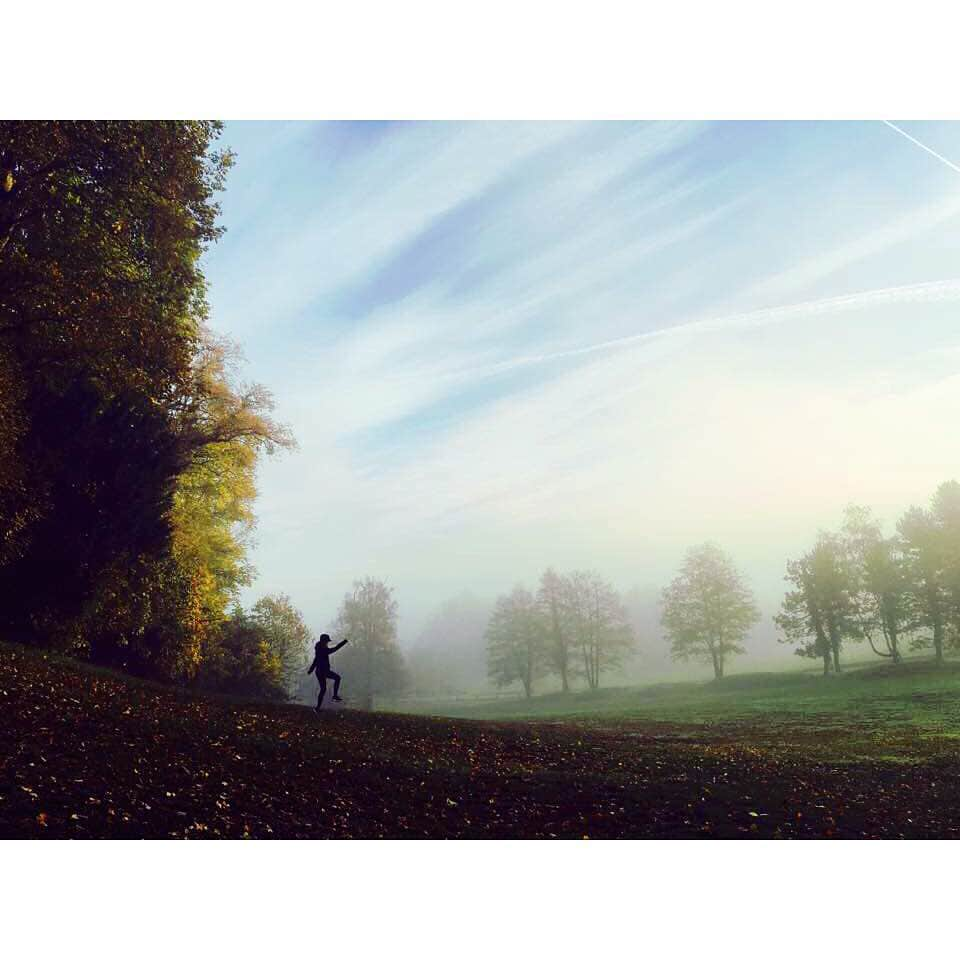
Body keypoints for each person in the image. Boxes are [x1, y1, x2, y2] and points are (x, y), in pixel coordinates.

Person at [307, 634, 348, 711]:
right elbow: (335, 649)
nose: (327, 643)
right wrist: (344, 642)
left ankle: (317, 708)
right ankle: (335, 695)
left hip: (318, 671)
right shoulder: (323, 650)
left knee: (323, 689)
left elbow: (315, 660)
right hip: (324, 671)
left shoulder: (318, 649)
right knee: (337, 678)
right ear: (324, 641)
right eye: (327, 641)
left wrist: (311, 669)